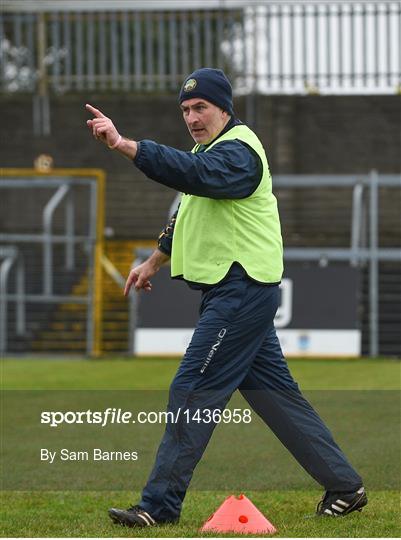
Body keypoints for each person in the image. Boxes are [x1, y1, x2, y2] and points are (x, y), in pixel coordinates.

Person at [86, 68, 367, 526]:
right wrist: (153, 261)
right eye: (185, 110)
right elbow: (187, 211)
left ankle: (158, 506)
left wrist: (124, 144)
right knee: (278, 398)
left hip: (241, 291)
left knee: (192, 389)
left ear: (224, 109)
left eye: (201, 108)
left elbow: (197, 176)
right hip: (235, 290)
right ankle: (345, 486)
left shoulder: (238, 153)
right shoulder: (209, 152)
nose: (192, 118)